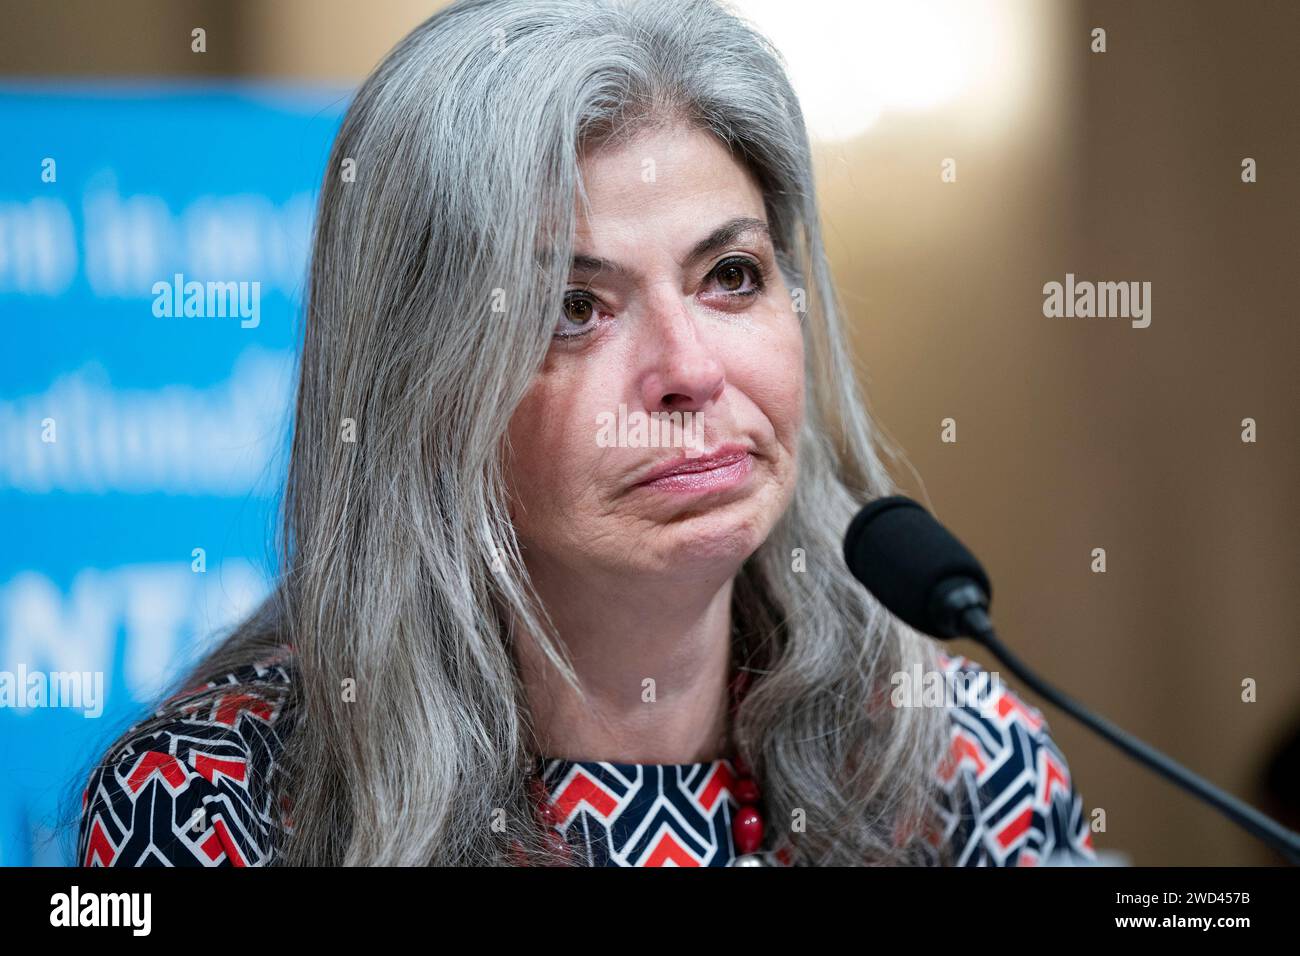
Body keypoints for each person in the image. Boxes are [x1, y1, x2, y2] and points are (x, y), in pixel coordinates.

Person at [75, 0, 1095, 867]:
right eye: (571, 307)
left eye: (729, 276)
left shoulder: (956, 760)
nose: (690, 370)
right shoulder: (214, 800)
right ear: (418, 383)